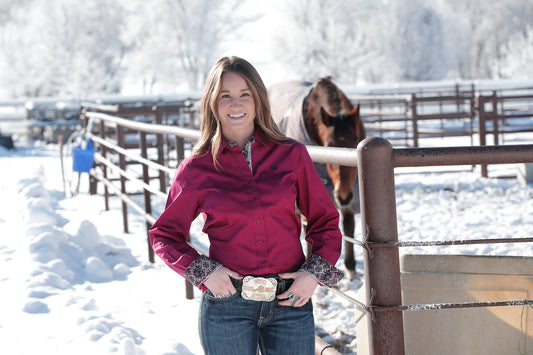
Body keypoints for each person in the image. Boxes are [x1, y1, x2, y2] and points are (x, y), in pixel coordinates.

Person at [149, 56, 344, 355]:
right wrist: (205, 273)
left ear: (258, 100)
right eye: (225, 96)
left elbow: (324, 221)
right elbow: (164, 234)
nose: (235, 104)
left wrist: (312, 275)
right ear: (212, 103)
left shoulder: (292, 155)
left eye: (244, 94)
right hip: (227, 305)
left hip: (290, 299)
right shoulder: (197, 168)